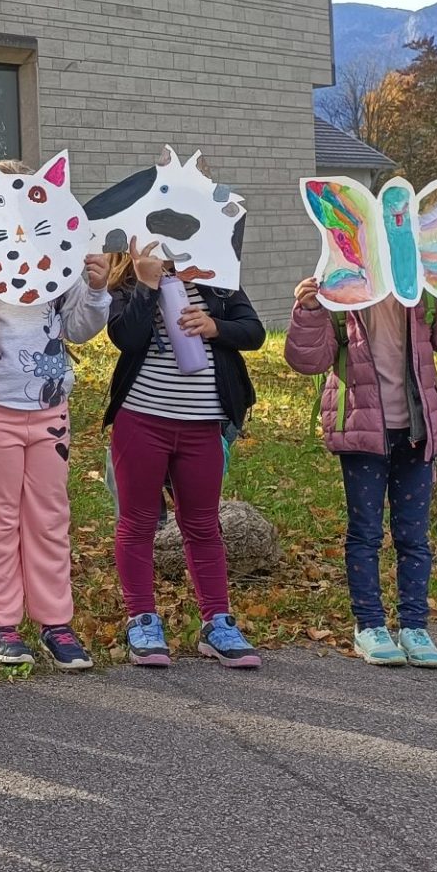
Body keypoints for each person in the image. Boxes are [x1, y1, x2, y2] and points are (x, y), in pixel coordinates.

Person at [285, 266, 437, 668]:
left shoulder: (421, 292)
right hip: (361, 428)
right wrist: (308, 310)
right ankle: (369, 625)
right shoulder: (340, 292)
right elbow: (309, 360)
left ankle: (414, 626)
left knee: (414, 538)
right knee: (366, 533)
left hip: (416, 430)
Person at [0, 162, 110, 670]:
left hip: (50, 408)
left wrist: (97, 291)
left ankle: (56, 623)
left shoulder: (64, 261)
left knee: (50, 516)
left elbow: (78, 330)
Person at [104, 245, 266, 668]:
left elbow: (254, 332)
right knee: (138, 522)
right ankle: (142, 618)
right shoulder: (130, 277)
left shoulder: (216, 277)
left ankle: (218, 622)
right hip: (142, 419)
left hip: (203, 425)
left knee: (202, 524)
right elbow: (125, 337)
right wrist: (147, 282)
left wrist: (214, 326)